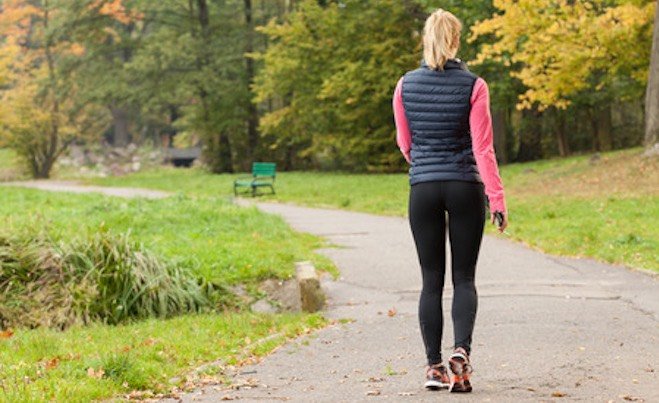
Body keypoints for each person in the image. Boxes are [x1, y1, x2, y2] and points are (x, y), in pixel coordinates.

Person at [392, 8, 508, 393]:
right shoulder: (474, 85)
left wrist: (426, 165)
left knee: (431, 281)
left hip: (423, 188)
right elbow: (483, 148)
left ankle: (433, 368)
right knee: (464, 278)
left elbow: (405, 144)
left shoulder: (404, 85)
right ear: (456, 40)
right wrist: (497, 198)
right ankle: (461, 355)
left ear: (425, 39)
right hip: (464, 186)